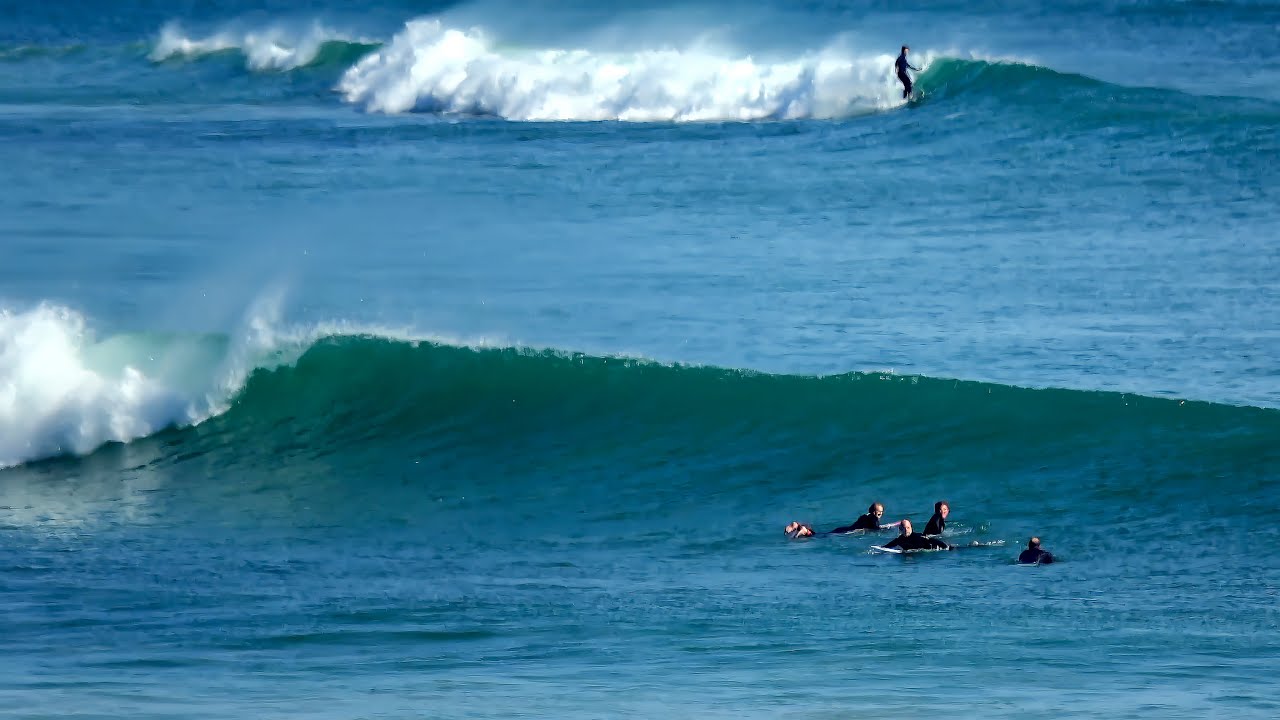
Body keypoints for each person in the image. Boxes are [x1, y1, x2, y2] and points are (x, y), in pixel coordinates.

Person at [830, 502, 904, 534]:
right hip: (846, 532)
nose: (879, 514)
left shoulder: (864, 516)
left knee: (824, 535)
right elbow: (876, 529)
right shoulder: (874, 518)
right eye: (878, 512)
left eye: (881, 512)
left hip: (842, 529)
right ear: (873, 511)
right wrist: (888, 528)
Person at [881, 519, 951, 551]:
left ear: (911, 528)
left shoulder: (918, 537)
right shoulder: (900, 539)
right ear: (900, 529)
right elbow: (889, 545)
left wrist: (946, 547)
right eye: (904, 528)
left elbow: (932, 540)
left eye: (908, 528)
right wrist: (882, 548)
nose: (906, 530)